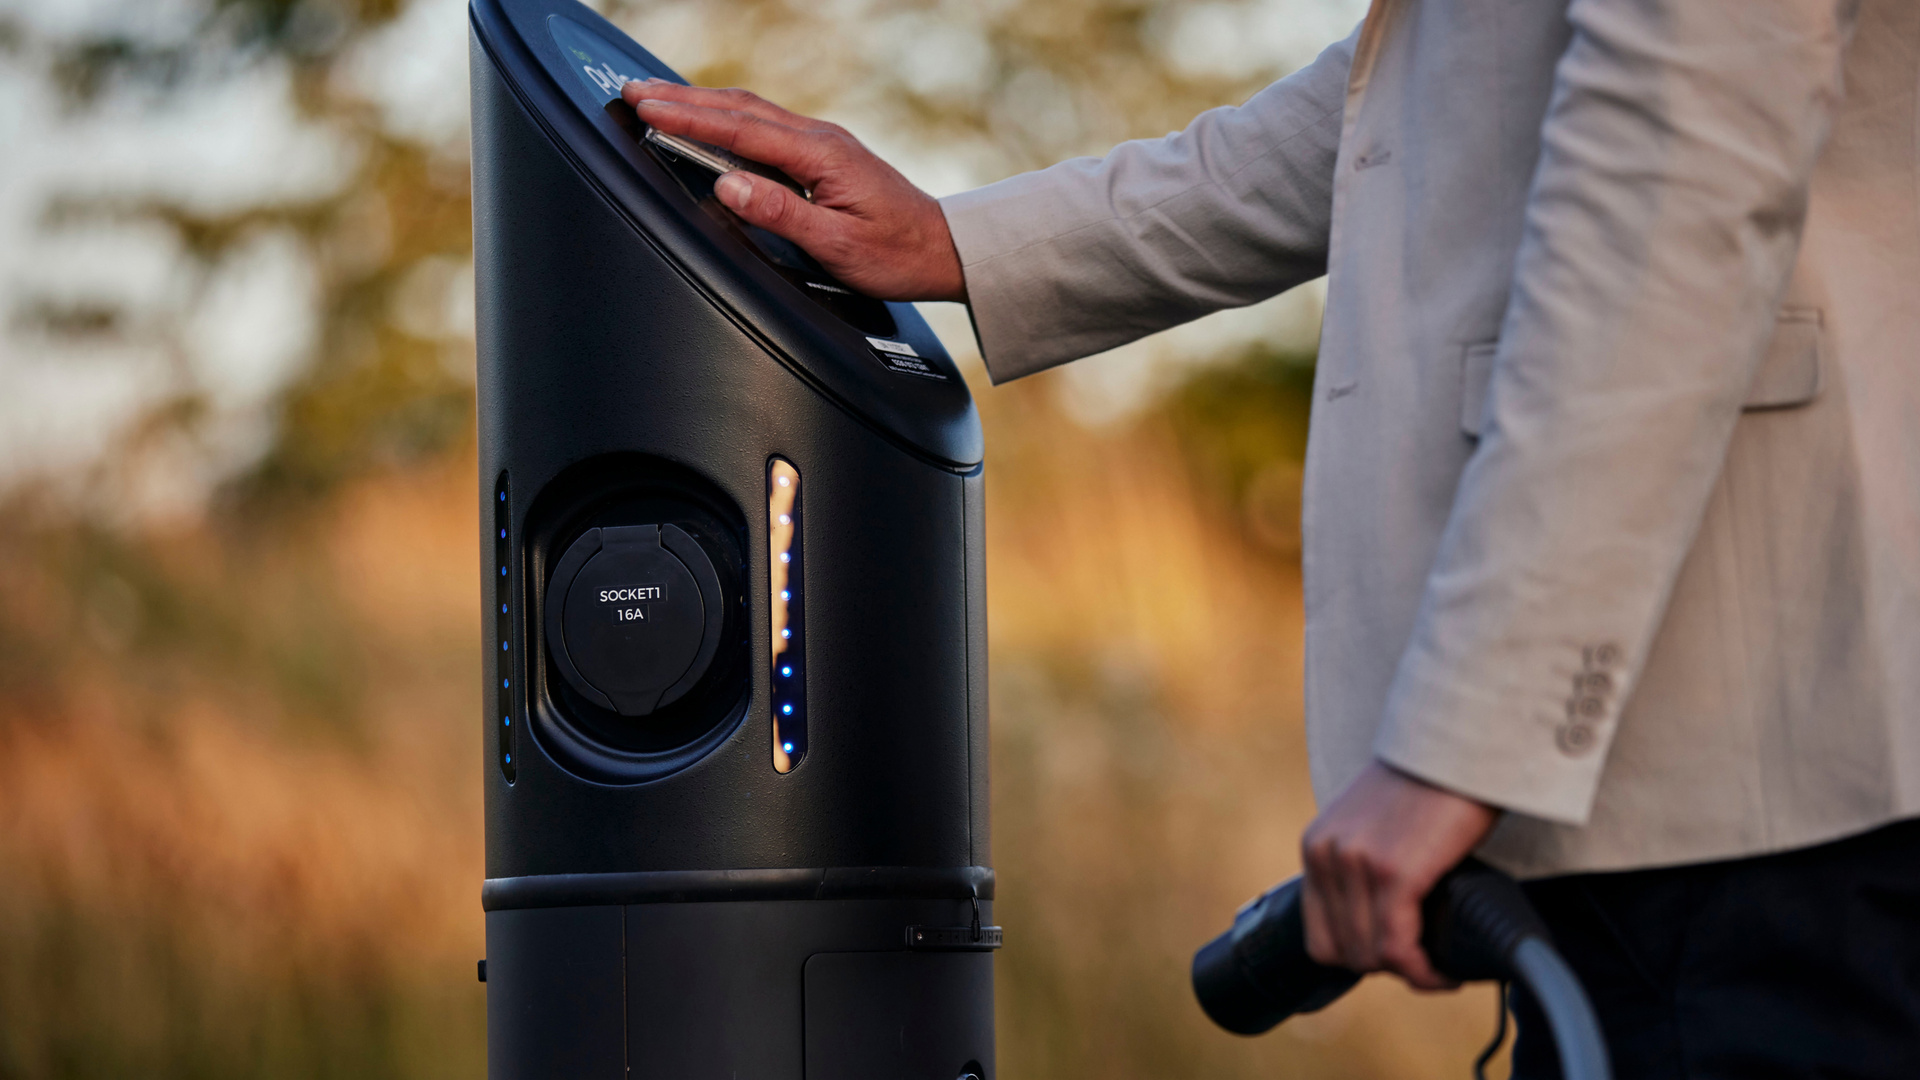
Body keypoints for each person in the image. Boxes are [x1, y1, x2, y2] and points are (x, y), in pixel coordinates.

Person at [622, 0, 1920, 1074]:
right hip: (1666, 823)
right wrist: (962, 237)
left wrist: (1468, 735)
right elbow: (1400, 106)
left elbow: (1682, 159)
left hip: (1769, 779)